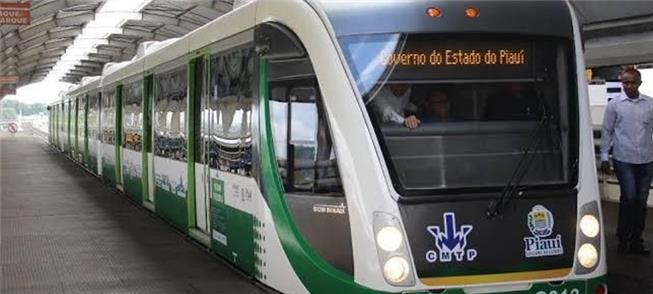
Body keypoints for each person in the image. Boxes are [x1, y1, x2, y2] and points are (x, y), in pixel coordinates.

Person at [600, 68, 653, 255]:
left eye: (632, 82)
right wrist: (604, 157)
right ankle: (623, 237)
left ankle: (636, 240)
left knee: (640, 201)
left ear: (639, 83)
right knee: (629, 198)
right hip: (624, 159)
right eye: (625, 82)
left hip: (646, 160)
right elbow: (607, 131)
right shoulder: (615, 105)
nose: (628, 86)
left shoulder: (650, 104)